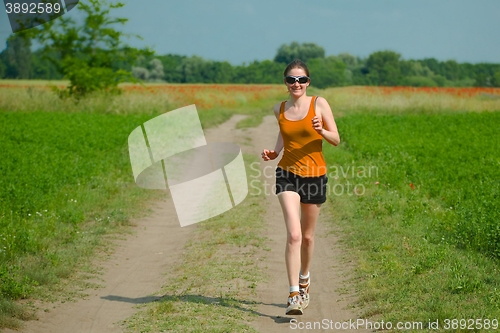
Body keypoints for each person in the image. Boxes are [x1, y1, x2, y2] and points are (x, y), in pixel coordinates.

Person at [261, 59, 340, 315]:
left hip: (315, 176)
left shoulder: (320, 104)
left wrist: (322, 131)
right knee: (294, 235)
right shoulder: (279, 109)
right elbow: (284, 133)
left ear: (308, 82)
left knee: (307, 237)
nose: (297, 84)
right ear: (285, 83)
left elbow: (336, 139)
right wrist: (275, 152)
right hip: (287, 174)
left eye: (301, 80)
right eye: (291, 80)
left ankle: (305, 277)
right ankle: (294, 293)